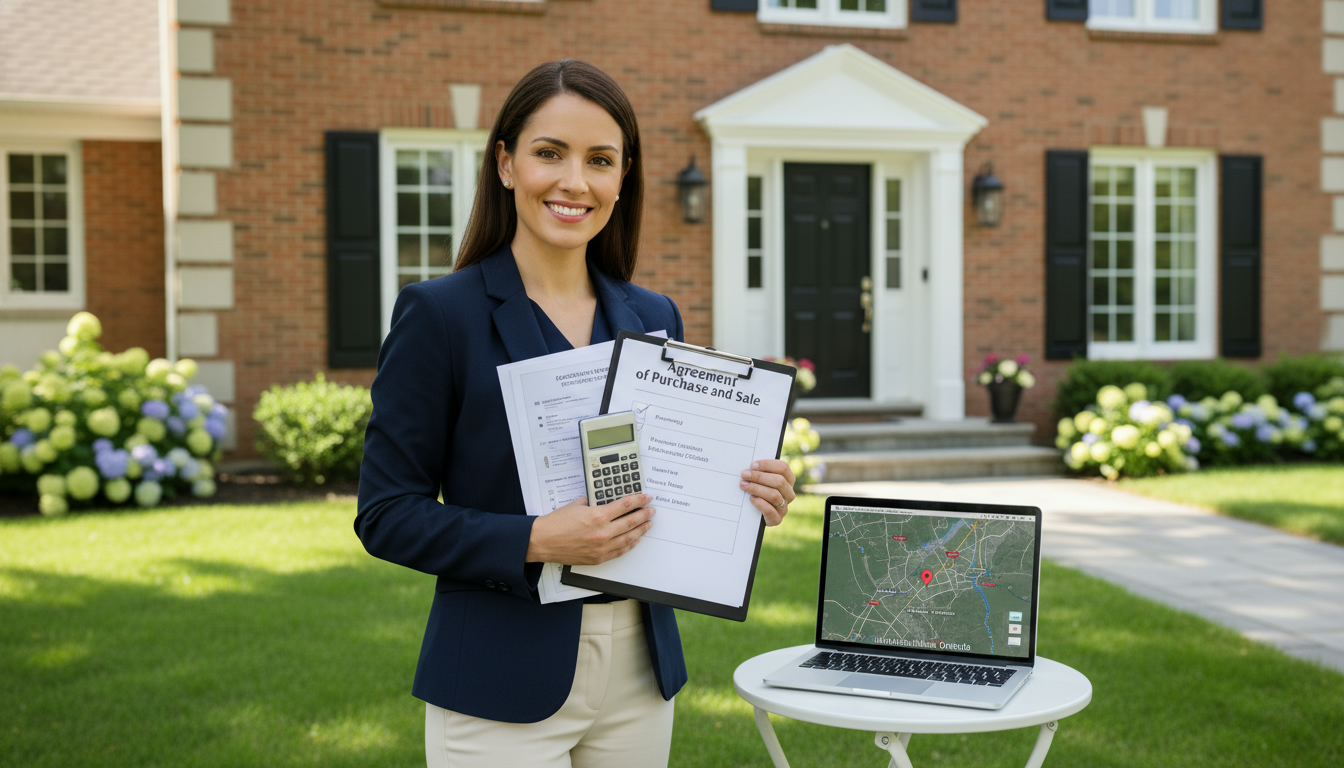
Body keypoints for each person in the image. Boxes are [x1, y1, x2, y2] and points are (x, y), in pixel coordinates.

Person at [355, 59, 796, 768]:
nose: (574, 182)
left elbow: (667, 481)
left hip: (640, 673)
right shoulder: (440, 315)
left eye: (599, 160)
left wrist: (747, 494)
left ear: (623, 179)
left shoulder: (653, 316)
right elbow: (386, 513)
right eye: (549, 153)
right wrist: (537, 539)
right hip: (498, 676)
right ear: (505, 163)